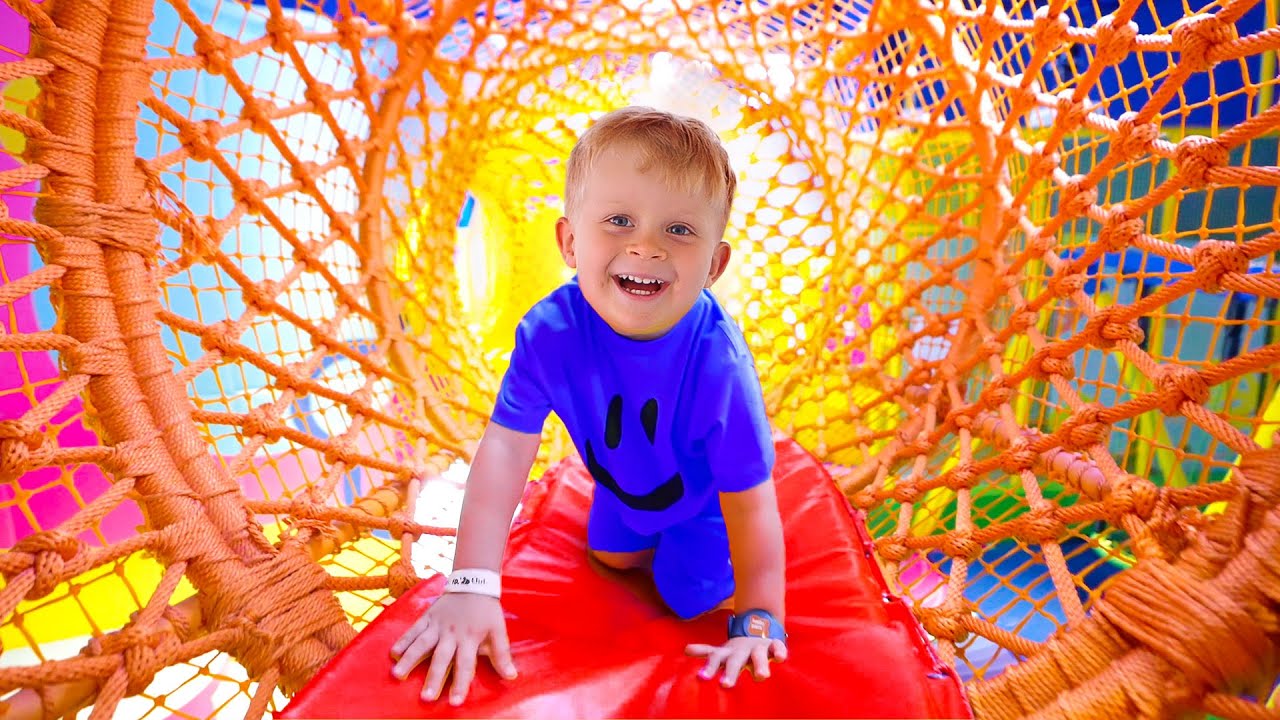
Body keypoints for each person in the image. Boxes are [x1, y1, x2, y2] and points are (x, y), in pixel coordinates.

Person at [390, 106, 787, 706]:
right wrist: (471, 584)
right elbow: (503, 447)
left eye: (679, 230)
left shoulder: (720, 368)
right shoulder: (549, 331)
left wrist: (759, 617)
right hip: (624, 491)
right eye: (620, 220)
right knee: (609, 554)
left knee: (686, 594)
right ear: (570, 241)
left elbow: (752, 503)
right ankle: (642, 536)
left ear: (715, 264)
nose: (646, 246)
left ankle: (703, 565)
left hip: (703, 508)